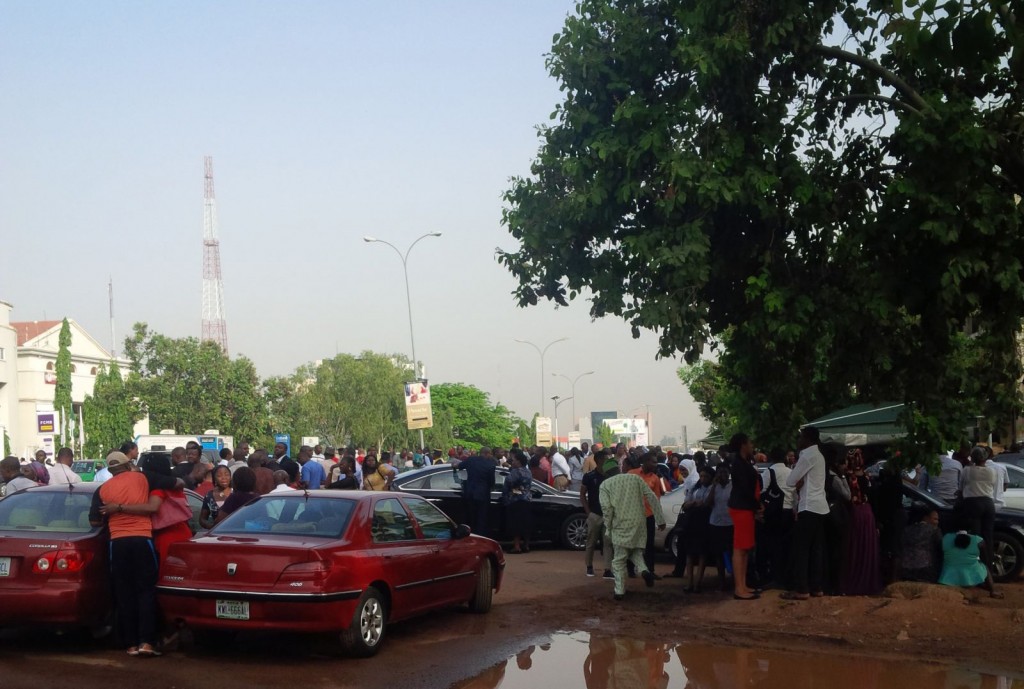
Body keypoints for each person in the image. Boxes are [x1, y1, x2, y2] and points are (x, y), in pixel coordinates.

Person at [88, 451, 180, 658]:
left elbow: (94, 521)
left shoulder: (102, 489)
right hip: (141, 539)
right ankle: (146, 643)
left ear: (110, 470)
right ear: (128, 464)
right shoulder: (143, 477)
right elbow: (178, 482)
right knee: (146, 591)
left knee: (124, 593)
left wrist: (115, 511)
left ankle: (130, 644)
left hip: (117, 543)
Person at [599, 463, 666, 600]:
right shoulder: (635, 478)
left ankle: (619, 591)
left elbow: (607, 509)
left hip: (620, 524)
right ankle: (644, 570)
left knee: (618, 560)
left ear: (606, 473)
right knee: (635, 551)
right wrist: (660, 519)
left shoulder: (605, 485)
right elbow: (652, 497)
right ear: (618, 469)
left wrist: (608, 528)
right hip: (639, 522)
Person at [783, 426, 829, 601]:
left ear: (808, 439)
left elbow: (790, 480)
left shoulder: (808, 455)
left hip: (808, 506)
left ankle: (802, 589)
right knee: (816, 549)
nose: (798, 441)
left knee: (802, 549)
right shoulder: (819, 455)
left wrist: (799, 481)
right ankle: (817, 587)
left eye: (801, 437)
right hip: (820, 507)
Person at [840, 449, 881, 595]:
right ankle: (866, 583)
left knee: (854, 548)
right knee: (866, 547)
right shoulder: (867, 477)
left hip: (855, 514)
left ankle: (852, 581)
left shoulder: (848, 478)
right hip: (868, 514)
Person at [727, 434, 761, 600]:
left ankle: (743, 584)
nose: (752, 445)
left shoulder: (743, 462)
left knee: (745, 548)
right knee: (740, 549)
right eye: (750, 442)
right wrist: (757, 505)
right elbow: (744, 488)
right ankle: (739, 588)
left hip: (745, 508)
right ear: (743, 445)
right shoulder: (739, 464)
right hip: (741, 508)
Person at [142, 455, 193, 566]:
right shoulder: (176, 488)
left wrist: (120, 507)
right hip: (183, 531)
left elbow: (152, 507)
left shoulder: (158, 491)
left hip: (166, 535)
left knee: (167, 570)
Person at [628, 451, 665, 577]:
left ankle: (650, 571)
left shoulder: (655, 478)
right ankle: (630, 570)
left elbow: (656, 499)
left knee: (649, 544)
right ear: (645, 461)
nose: (655, 464)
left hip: (648, 516)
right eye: (653, 462)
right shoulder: (631, 473)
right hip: (632, 515)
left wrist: (660, 519)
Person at [960, 446, 997, 570]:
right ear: (985, 458)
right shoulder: (992, 471)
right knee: (988, 536)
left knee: (975, 536)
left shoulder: (967, 470)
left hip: (973, 504)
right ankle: (988, 568)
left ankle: (976, 567)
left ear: (973, 457)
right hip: (988, 503)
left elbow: (961, 488)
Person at [938, 529, 1002, 598]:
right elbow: (985, 559)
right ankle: (993, 591)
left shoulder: (946, 537)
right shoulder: (978, 540)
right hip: (969, 580)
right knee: (984, 567)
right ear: (970, 530)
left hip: (947, 580)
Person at [580, 450, 614, 578]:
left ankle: (607, 569)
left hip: (608, 514)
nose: (608, 461)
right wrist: (588, 512)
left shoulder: (610, 476)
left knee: (608, 542)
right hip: (594, 513)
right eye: (606, 459)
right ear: (599, 460)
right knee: (591, 542)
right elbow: (582, 494)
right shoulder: (589, 476)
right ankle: (589, 566)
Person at [457, 447, 497, 536]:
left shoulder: (471, 460)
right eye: (490, 454)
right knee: (482, 519)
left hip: (470, 493)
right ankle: (480, 537)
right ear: (487, 453)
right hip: (483, 495)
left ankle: (471, 535)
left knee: (472, 517)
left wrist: (453, 465)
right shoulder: (490, 465)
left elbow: (459, 466)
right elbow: (492, 482)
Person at [707, 463, 734, 592]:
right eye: (720, 472)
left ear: (729, 473)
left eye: (725, 472)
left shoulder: (733, 486)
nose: (723, 475)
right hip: (716, 523)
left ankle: (734, 580)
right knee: (718, 555)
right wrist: (713, 485)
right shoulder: (714, 486)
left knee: (733, 553)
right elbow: (708, 503)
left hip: (730, 523)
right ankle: (721, 582)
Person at [502, 450, 533, 554]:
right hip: (527, 499)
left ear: (518, 461)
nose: (512, 462)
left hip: (516, 500)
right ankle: (526, 545)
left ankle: (516, 546)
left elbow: (509, 483)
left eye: (514, 460)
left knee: (516, 524)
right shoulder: (528, 471)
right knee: (526, 523)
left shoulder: (515, 472)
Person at [901, 508, 943, 583]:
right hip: (926, 569)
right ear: (926, 518)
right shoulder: (934, 531)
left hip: (905, 568)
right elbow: (941, 547)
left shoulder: (907, 529)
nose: (937, 522)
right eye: (935, 519)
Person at [200, 465, 232, 529]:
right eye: (219, 476)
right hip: (218, 534)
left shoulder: (236, 493)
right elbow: (202, 519)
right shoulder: (209, 496)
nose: (224, 477)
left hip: (235, 532)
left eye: (227, 475)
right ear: (214, 478)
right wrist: (212, 527)